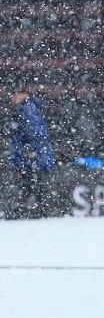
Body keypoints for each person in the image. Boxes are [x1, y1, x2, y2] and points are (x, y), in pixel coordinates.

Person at [6, 88, 55, 219]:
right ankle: (38, 212)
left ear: (21, 95)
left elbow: (35, 132)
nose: (12, 99)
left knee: (31, 185)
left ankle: (32, 212)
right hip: (32, 157)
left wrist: (31, 150)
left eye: (14, 94)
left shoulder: (28, 109)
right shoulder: (26, 109)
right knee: (33, 186)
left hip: (32, 157)